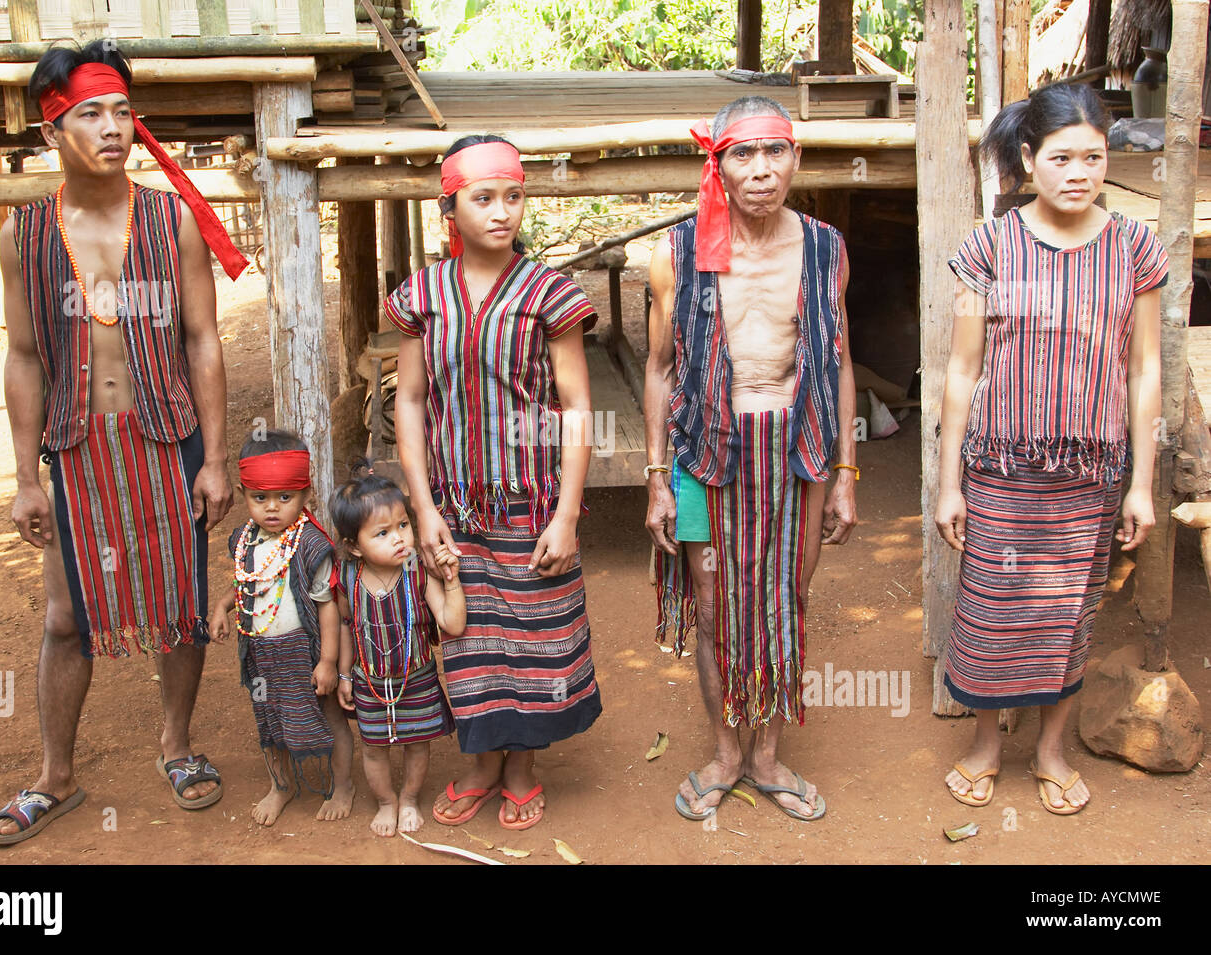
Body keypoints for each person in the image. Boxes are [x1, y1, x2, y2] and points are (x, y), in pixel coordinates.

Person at [0, 38, 248, 846]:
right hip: (75, 445)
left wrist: (213, 456)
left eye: (121, 111)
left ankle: (177, 746)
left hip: (165, 433)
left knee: (176, 603)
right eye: (88, 114)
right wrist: (26, 476)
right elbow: (26, 357)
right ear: (50, 133)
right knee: (66, 615)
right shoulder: (23, 235)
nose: (112, 128)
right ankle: (55, 776)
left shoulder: (174, 220)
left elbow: (203, 340)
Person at [938, 84, 1166, 815]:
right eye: (1062, 157)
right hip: (1000, 467)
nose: (1079, 173)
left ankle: (1050, 750)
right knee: (992, 609)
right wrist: (948, 485)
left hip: (1089, 473)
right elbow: (963, 369)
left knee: (1070, 615)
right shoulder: (990, 246)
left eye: (1094, 158)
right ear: (1029, 159)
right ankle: (984, 747)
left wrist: (1141, 484)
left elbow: (1144, 370)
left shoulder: (1136, 249)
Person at [644, 96, 859, 822]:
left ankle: (766, 756)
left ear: (796, 158)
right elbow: (659, 368)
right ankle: (726, 752)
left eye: (775, 152)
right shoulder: (677, 253)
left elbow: (839, 361)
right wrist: (654, 478)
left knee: (786, 601)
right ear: (720, 165)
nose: (762, 170)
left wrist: (847, 471)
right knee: (712, 613)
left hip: (799, 452)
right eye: (743, 153)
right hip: (707, 452)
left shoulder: (826, 247)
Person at [390, 134, 602, 831]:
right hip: (454, 507)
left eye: (513, 195)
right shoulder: (422, 295)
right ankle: (483, 763)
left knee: (535, 639)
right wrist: (423, 510)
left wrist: (566, 514)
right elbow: (413, 402)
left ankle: (522, 766)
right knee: (469, 638)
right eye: (483, 198)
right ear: (448, 206)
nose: (501, 211)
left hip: (529, 502)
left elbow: (575, 406)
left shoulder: (549, 294)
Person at [209, 430, 355, 826]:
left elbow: (328, 609)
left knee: (329, 717)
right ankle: (281, 785)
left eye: (285, 497)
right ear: (244, 494)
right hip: (262, 655)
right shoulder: (243, 540)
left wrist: (327, 662)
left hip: (304, 653)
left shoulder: (310, 544)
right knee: (269, 720)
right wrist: (223, 606)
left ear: (306, 494)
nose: (272, 508)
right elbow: (246, 580)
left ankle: (343, 785)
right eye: (260, 498)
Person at [330, 466, 461, 837]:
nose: (400, 539)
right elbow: (345, 626)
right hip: (368, 683)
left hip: (416, 679)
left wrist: (451, 582)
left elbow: (452, 623)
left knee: (417, 744)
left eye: (403, 525)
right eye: (383, 533)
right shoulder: (349, 579)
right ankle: (386, 801)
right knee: (373, 749)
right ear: (354, 546)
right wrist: (343, 674)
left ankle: (409, 798)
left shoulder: (418, 571)